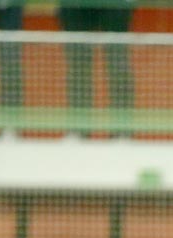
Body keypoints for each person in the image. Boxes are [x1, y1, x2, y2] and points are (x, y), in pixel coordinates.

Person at [58, 0, 135, 136]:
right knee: (78, 63)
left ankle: (122, 130)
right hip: (74, 5)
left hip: (116, 5)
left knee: (117, 61)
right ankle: (78, 129)